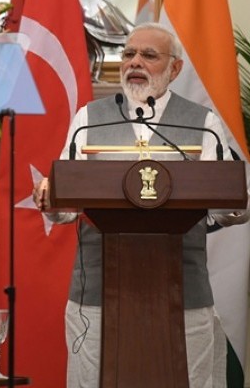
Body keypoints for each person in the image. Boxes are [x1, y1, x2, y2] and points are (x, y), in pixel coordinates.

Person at [34, 22, 248, 388]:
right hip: (99, 293)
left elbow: (231, 208)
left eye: (149, 55)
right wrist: (50, 199)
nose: (135, 62)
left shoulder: (204, 125)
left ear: (175, 69)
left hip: (182, 294)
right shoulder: (88, 121)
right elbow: (66, 209)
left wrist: (231, 201)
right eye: (129, 53)